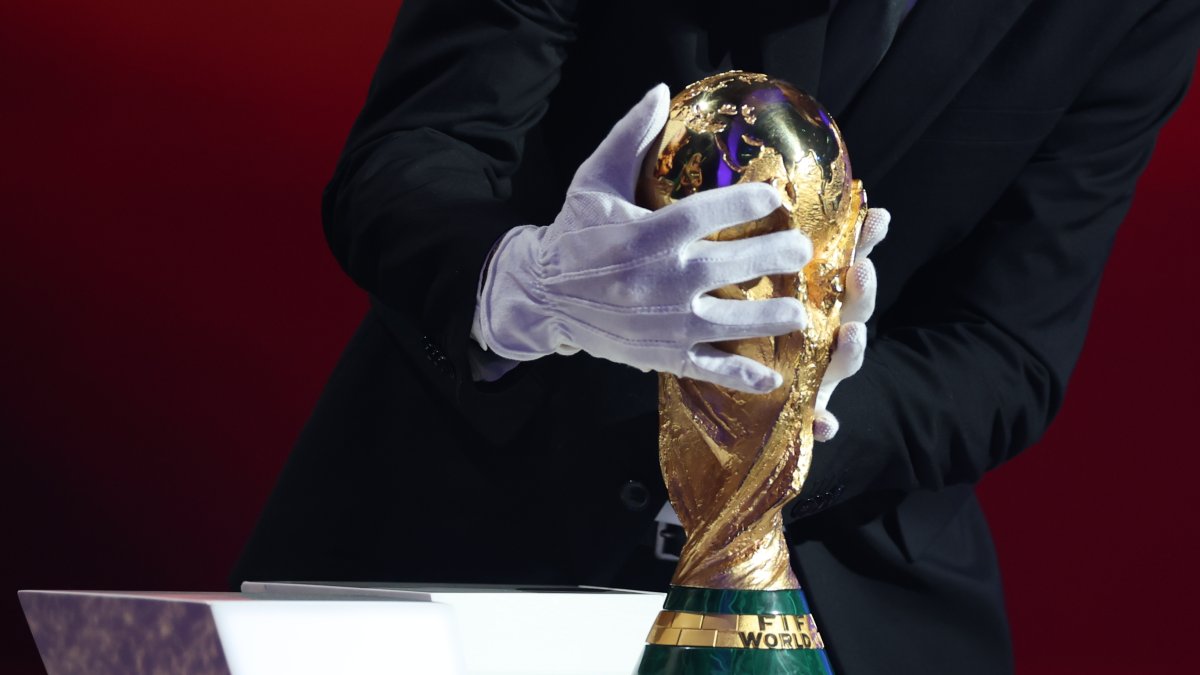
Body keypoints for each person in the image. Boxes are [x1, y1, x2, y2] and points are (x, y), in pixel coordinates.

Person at [232, 1, 1200, 673]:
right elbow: (410, 154)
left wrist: (792, 408)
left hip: (842, 590)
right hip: (463, 520)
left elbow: (1007, 350)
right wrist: (528, 286)